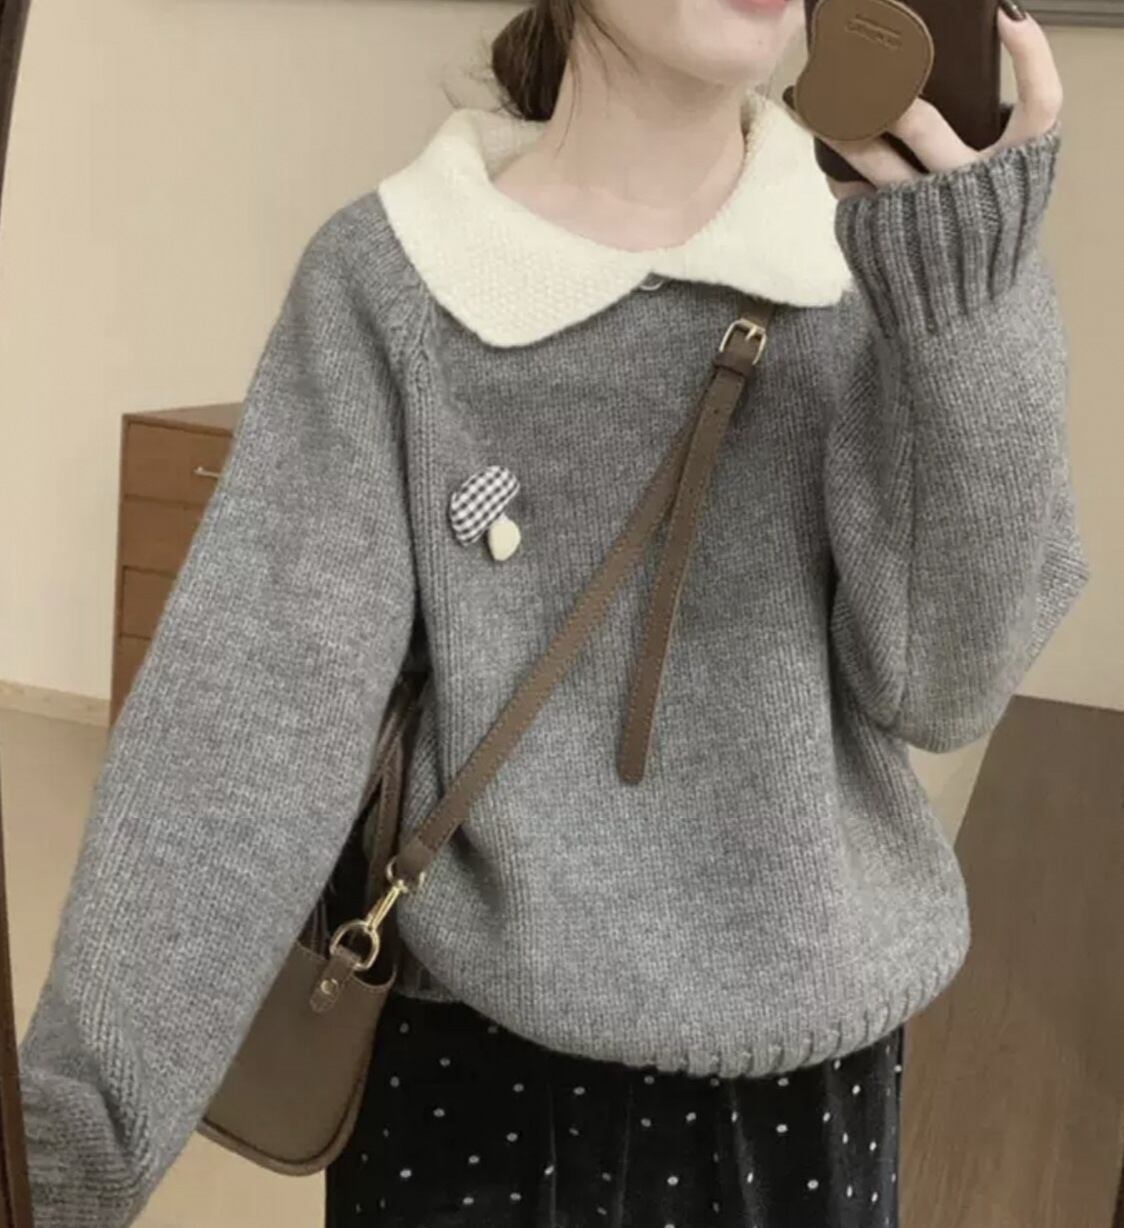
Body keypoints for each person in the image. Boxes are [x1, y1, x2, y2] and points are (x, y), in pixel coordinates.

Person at [17, 0, 1087, 1224]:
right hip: (471, 1085)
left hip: (799, 1090)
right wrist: (59, 1164)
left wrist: (968, 292)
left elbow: (940, 685)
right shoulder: (396, 280)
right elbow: (240, 747)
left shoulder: (882, 269)